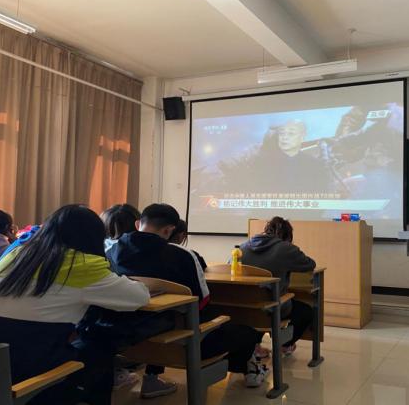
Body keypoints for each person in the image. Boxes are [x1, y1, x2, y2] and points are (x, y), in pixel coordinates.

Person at [0, 204, 150, 405]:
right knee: (100, 345)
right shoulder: (82, 265)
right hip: (32, 377)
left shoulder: (16, 254)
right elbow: (140, 297)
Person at [107, 203, 268, 397]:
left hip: (123, 338)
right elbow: (201, 302)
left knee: (166, 316)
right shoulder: (182, 256)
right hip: (180, 344)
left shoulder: (111, 252)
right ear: (169, 230)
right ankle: (250, 371)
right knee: (247, 332)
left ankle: (152, 379)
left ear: (138, 223)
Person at [240, 216, 315, 355]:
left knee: (258, 308)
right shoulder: (286, 248)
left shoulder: (243, 247)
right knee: (306, 311)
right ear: (288, 236)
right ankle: (285, 345)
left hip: (245, 306)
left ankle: (253, 346)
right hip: (272, 308)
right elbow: (310, 264)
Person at [217, 120, 334, 194]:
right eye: (282, 134)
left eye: (290, 134)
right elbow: (225, 166)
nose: (284, 137)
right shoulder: (254, 154)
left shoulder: (310, 163)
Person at [99, 203, 143, 389]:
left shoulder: (96, 249)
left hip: (98, 318)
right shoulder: (140, 251)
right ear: (137, 224)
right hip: (132, 317)